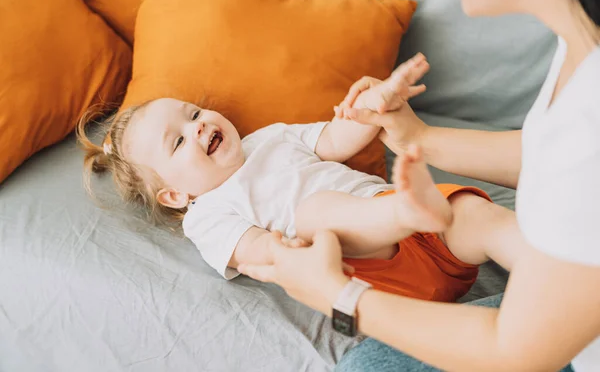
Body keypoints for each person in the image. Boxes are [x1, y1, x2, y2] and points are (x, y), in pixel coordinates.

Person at [236, 0, 600, 371]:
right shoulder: (581, 39)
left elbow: (515, 352)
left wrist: (336, 295)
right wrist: (418, 139)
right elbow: (554, 153)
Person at [78, 53, 520, 302]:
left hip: (431, 235)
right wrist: (275, 247)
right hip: (376, 270)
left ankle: (557, 266)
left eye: (193, 114)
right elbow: (251, 251)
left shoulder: (270, 138)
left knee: (477, 216)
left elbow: (335, 140)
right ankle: (404, 208)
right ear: (175, 194)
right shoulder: (205, 213)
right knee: (313, 215)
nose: (196, 126)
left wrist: (373, 106)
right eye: (177, 142)